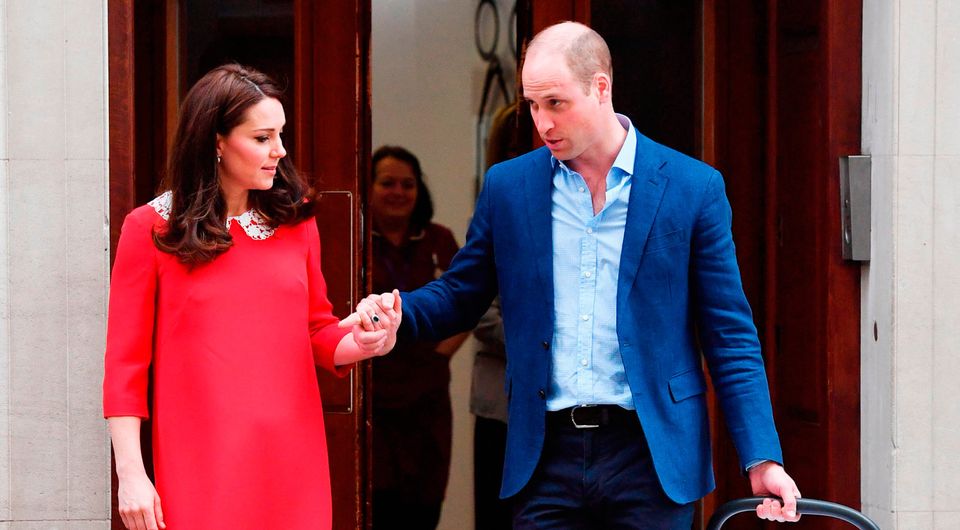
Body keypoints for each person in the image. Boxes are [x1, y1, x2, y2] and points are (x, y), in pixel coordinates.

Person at [365, 22, 801, 529]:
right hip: (545, 451)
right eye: (532, 105)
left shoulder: (691, 188)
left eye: (555, 103)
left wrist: (762, 457)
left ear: (600, 87)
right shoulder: (509, 187)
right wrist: (400, 313)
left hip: (651, 452)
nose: (541, 122)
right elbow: (463, 292)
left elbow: (730, 334)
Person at [102, 64, 401, 530]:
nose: (279, 151)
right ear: (215, 141)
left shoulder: (296, 222)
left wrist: (366, 339)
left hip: (293, 461)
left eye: (280, 135)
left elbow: (318, 331)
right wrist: (131, 474)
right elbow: (125, 364)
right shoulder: (151, 229)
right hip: (201, 465)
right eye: (262, 138)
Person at [368, 146, 468, 529]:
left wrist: (438, 357)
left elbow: (466, 304)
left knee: (423, 508)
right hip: (374, 397)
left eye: (407, 184)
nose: (398, 192)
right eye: (387, 183)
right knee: (378, 506)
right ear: (369, 187)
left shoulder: (439, 240)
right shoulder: (354, 240)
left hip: (426, 398)